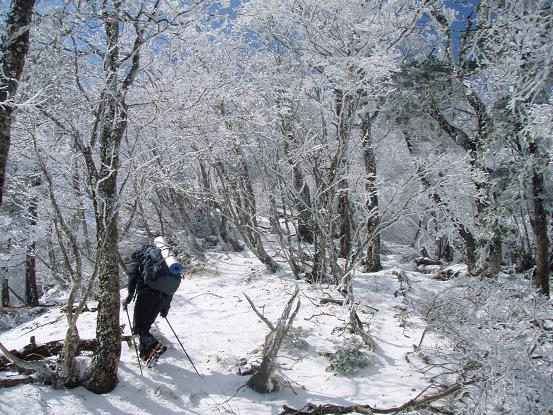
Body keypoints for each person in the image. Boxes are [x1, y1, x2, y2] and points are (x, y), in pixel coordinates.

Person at [122, 244, 173, 362]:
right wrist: (165, 307)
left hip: (145, 296)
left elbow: (132, 279)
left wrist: (128, 298)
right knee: (144, 328)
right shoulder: (162, 266)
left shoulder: (138, 262)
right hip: (160, 298)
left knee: (138, 329)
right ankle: (145, 355)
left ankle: (155, 345)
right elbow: (169, 289)